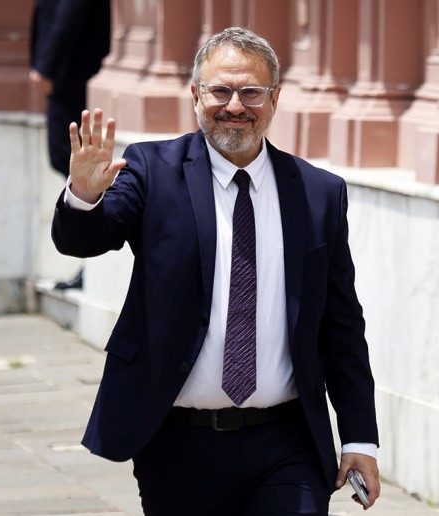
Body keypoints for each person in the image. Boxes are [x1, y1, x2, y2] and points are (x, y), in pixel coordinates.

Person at [51, 27, 380, 515]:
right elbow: (84, 240)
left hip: (287, 442)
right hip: (179, 443)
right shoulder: (152, 169)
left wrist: (360, 438)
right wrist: (83, 196)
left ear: (274, 98)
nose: (235, 106)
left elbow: (342, 326)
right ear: (195, 95)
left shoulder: (319, 193)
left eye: (251, 92)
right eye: (220, 91)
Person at [29, 0, 111, 177]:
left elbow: (69, 13)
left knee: (64, 153)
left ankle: (91, 194)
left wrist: (46, 68)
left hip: (71, 74)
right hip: (71, 73)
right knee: (67, 154)